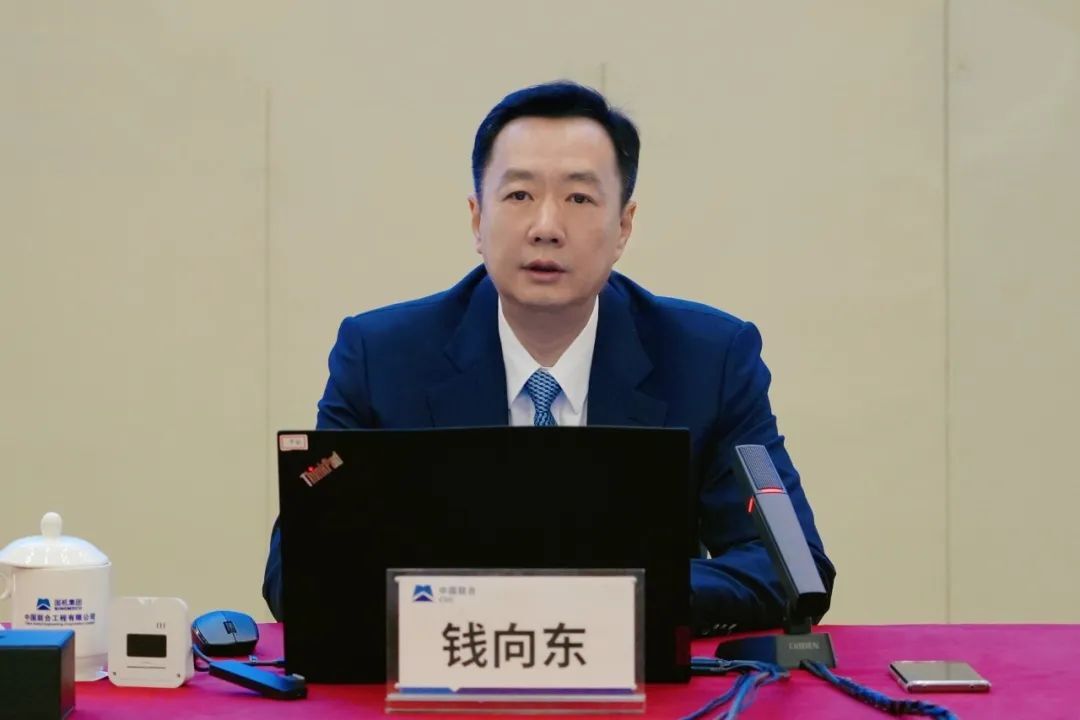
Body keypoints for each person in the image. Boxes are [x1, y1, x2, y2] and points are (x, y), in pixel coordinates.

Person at [263, 81, 835, 634]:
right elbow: (297, 570)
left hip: (638, 675)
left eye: (579, 198)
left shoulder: (709, 359)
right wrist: (475, 602)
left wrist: (618, 596)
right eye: (519, 195)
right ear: (477, 220)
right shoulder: (382, 357)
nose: (546, 227)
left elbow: (791, 566)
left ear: (623, 227)